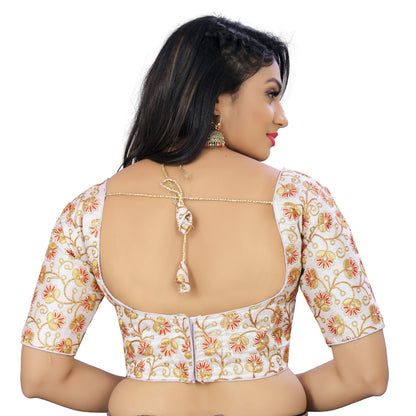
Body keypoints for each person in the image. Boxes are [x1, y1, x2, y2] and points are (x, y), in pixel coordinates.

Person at [20, 15, 388, 416]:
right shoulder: (299, 201)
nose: (282, 116)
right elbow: (365, 376)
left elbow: (43, 378)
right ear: (214, 98)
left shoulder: (89, 211)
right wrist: (269, 387)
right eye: (270, 94)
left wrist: (146, 389)